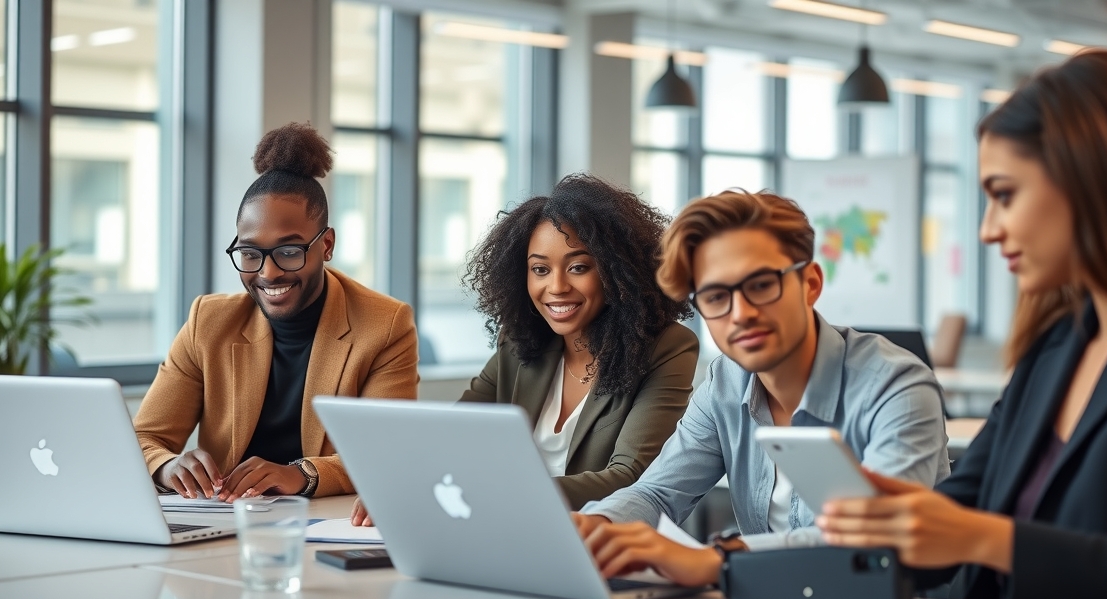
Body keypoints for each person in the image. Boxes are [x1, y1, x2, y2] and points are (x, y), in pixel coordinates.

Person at [816, 50, 1107, 599]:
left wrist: (989, 540)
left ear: (1089, 181)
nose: (989, 229)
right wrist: (897, 519)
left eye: (1005, 195)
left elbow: (984, 534)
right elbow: (962, 512)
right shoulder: (1056, 349)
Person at [572, 189, 950, 587]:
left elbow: (880, 539)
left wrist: (719, 560)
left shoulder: (896, 387)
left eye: (761, 285)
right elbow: (657, 494)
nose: (741, 314)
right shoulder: (725, 384)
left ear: (810, 283)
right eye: (716, 297)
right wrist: (596, 525)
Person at [350, 173, 698, 525]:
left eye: (578, 267)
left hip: (597, 539)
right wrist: (399, 483)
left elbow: (630, 476)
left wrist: (500, 493)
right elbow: (453, 435)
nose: (556, 286)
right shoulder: (519, 342)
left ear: (617, 271)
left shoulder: (667, 349)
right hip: (500, 528)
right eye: (540, 269)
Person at [135, 122, 418, 502]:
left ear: (327, 244)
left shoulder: (384, 325)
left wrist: (299, 475)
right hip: (226, 522)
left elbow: (388, 453)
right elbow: (144, 437)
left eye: (288, 252)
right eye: (250, 254)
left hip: (324, 523)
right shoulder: (209, 321)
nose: (268, 273)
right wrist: (167, 466)